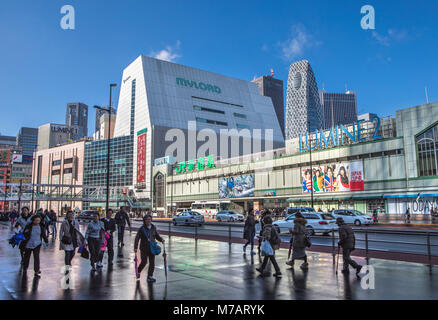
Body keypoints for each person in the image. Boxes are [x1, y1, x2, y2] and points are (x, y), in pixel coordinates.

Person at [134, 214, 165, 283]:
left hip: (152, 248)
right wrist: (135, 247)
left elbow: (157, 236)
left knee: (152, 263)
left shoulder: (153, 227)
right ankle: (138, 271)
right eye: (147, 219)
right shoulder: (142, 229)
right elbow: (137, 238)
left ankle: (150, 276)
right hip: (144, 248)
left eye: (149, 219)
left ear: (151, 220)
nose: (148, 221)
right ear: (144, 220)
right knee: (144, 262)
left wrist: (161, 240)